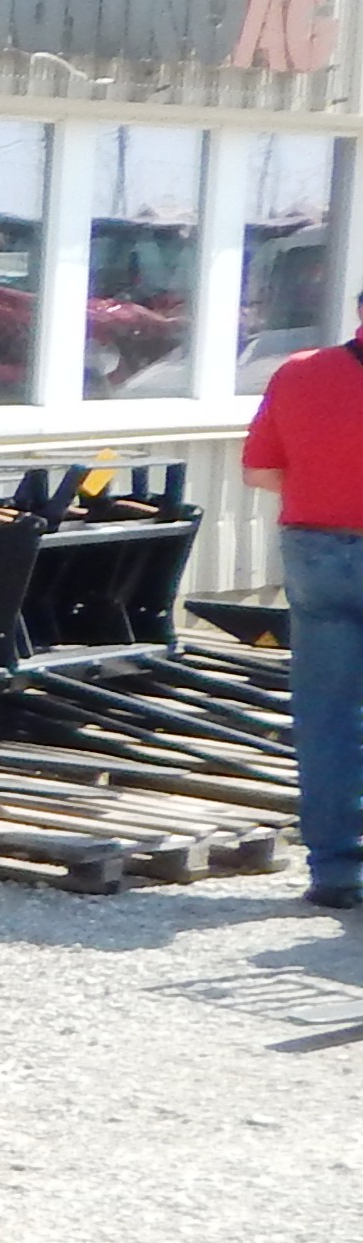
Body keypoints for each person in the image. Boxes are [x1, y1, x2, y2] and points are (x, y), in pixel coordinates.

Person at [244, 317, 363, 907]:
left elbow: (260, 471)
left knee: (327, 717)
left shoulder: (298, 373)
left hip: (317, 550)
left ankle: (335, 871)